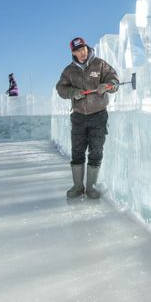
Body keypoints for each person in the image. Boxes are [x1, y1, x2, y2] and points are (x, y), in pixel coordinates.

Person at [56, 36, 119, 199]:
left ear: (87, 48)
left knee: (96, 150)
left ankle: (91, 187)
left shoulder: (100, 64)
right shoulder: (69, 71)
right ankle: (78, 186)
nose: (82, 53)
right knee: (77, 151)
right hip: (78, 117)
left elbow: (114, 79)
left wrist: (106, 86)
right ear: (73, 53)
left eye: (83, 49)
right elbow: (60, 88)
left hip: (98, 115)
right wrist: (72, 92)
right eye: (78, 51)